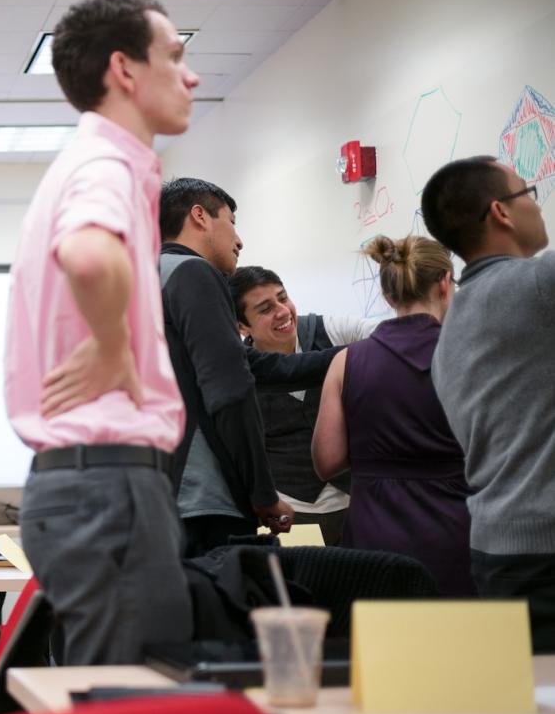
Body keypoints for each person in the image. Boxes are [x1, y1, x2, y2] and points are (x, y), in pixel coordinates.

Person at [4, 0, 196, 665]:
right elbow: (88, 255)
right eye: (174, 56)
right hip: (108, 488)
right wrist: (114, 343)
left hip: (90, 490)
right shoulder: (104, 164)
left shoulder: (94, 164)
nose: (191, 74)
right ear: (125, 70)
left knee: (112, 708)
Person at [158, 178, 338, 557]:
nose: (239, 240)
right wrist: (262, 493)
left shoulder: (148, 278)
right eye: (232, 222)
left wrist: (347, 357)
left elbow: (252, 366)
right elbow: (231, 391)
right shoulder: (194, 272)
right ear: (200, 217)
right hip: (202, 498)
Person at [422, 156, 555, 645]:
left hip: (498, 551)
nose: (538, 207)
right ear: (501, 212)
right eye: (529, 193)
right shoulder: (538, 284)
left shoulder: (452, 327)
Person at [311, 236, 473, 595]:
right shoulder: (472, 356)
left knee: (382, 645)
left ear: (387, 296)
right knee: (460, 645)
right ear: (445, 283)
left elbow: (327, 461)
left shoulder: (346, 361)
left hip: (373, 533)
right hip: (457, 531)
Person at [230, 265, 379, 545]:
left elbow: (387, 337)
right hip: (292, 514)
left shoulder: (329, 330)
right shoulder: (238, 370)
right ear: (241, 327)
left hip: (359, 501)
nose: (283, 311)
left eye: (283, 297)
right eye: (265, 309)